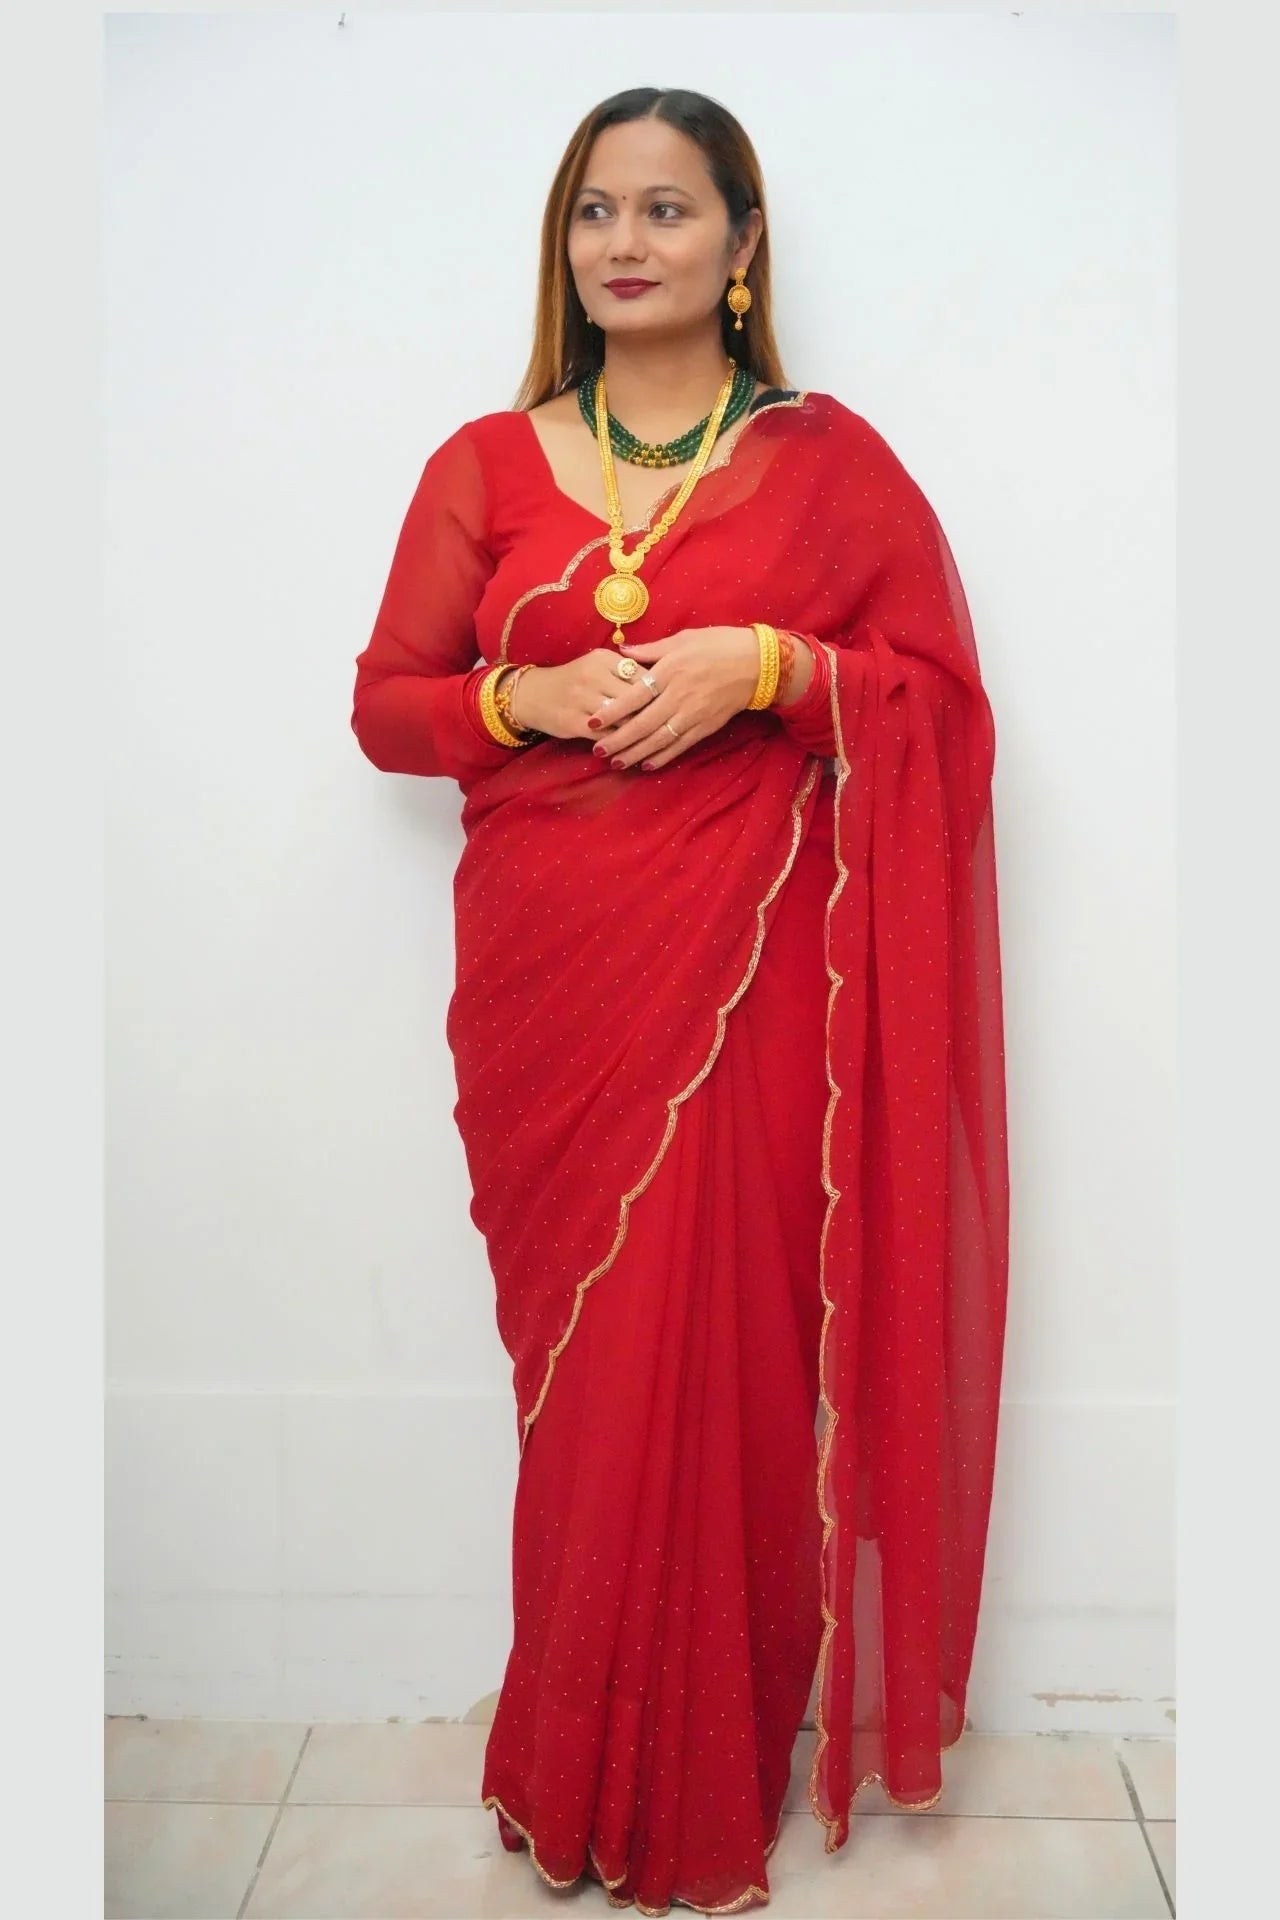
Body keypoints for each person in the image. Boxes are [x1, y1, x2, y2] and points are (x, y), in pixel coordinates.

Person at [350, 85, 1009, 1919]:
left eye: (665, 208)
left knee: (720, 1360)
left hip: (750, 982)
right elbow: (386, 701)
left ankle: (696, 1789)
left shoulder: (828, 466)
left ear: (741, 244)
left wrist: (772, 664)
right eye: (594, 211)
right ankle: (572, 1767)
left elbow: (942, 710)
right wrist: (522, 701)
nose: (624, 243)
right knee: (583, 1388)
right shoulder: (486, 462)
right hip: (550, 988)